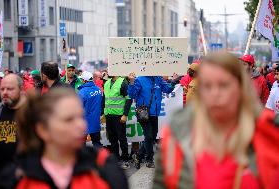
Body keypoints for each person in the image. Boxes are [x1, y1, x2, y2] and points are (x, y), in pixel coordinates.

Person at [153, 51, 279, 189]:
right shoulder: (176, 134)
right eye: (207, 86)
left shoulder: (268, 132)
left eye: (223, 85)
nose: (215, 93)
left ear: (240, 88)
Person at [0, 88, 128, 189]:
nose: (81, 125)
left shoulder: (105, 166)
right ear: (42, 129)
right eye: (68, 120)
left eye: (81, 117)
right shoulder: (16, 177)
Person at [128, 74, 175, 168]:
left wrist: (173, 81)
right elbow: (132, 95)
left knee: (152, 137)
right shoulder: (139, 79)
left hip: (155, 113)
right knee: (149, 136)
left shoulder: (158, 78)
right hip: (143, 113)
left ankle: (138, 155)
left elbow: (167, 89)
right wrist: (132, 82)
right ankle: (149, 159)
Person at [0, 74, 26, 180]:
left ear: (21, 89)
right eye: (2, 89)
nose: (5, 93)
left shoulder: (32, 114)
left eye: (10, 89)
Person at [103, 76, 132, 170]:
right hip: (109, 115)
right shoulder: (107, 83)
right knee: (112, 139)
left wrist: (125, 114)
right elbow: (104, 99)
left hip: (119, 116)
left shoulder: (122, 82)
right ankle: (116, 159)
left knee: (122, 138)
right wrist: (102, 113)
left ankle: (125, 160)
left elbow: (129, 99)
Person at [78, 71, 103, 147]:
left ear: (85, 80)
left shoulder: (82, 92)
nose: (81, 81)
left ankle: (84, 159)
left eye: (82, 79)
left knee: (81, 145)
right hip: (95, 120)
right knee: (97, 143)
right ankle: (99, 159)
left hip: (84, 122)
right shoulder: (98, 90)